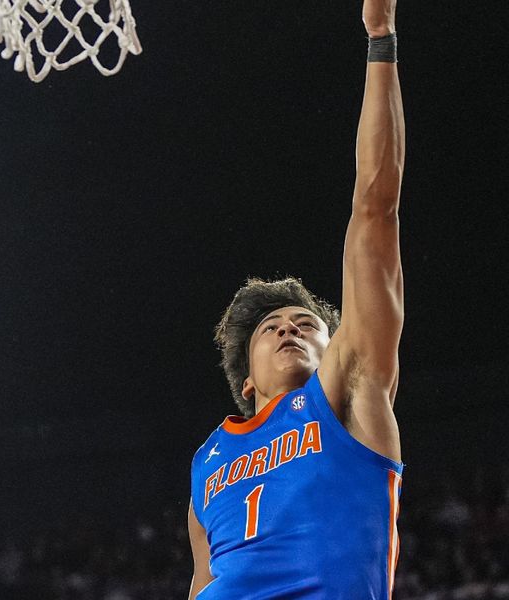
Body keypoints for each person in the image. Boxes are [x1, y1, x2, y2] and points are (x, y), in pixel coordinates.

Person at [187, 0, 405, 598]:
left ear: (334, 346)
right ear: (246, 380)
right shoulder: (206, 463)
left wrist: (380, 40)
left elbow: (374, 208)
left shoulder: (348, 387)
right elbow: (202, 582)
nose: (288, 328)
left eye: (306, 323)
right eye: (270, 327)